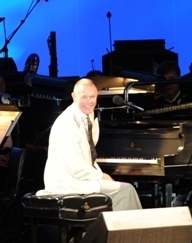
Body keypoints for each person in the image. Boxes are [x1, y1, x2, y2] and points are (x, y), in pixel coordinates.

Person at [40, 78, 142, 211]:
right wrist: (101, 176)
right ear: (73, 96)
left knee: (122, 189)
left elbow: (88, 155)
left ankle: (110, 229)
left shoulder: (87, 114)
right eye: (84, 97)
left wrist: (100, 176)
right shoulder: (67, 124)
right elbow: (76, 168)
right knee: (126, 191)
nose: (88, 102)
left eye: (92, 97)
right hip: (66, 183)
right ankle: (126, 231)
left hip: (79, 179)